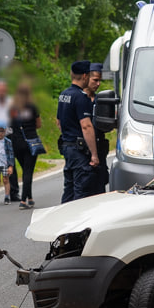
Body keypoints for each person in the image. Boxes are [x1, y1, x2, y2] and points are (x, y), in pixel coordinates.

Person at [57, 60, 99, 203]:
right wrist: (94, 154)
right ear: (85, 76)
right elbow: (86, 126)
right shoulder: (81, 97)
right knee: (80, 190)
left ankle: (62, 220)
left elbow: (59, 122)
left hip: (67, 147)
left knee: (68, 190)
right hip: (79, 150)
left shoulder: (64, 95)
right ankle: (76, 224)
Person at [10, 81, 42, 210]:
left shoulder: (12, 108)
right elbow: (38, 124)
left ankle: (30, 197)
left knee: (25, 170)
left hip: (16, 142)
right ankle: (23, 200)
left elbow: (10, 124)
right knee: (28, 171)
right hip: (30, 142)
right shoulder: (33, 107)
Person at [86, 62, 110, 195]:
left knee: (100, 184)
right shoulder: (78, 98)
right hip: (83, 150)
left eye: (100, 80)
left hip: (99, 148)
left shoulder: (100, 100)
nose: (98, 83)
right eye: (95, 80)